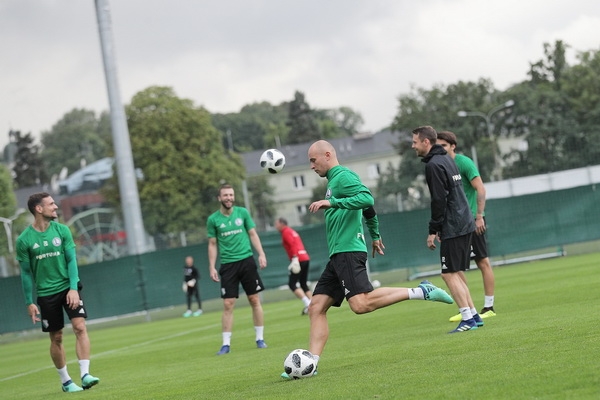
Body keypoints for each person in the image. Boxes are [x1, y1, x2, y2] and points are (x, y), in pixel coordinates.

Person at [281, 140, 454, 378]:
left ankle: (421, 291)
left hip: (348, 251)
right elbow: (368, 211)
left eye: (313, 160)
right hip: (338, 254)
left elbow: (367, 199)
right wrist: (375, 235)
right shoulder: (334, 181)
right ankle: (311, 363)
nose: (311, 166)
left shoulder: (342, 176)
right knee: (316, 307)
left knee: (360, 305)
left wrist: (332, 202)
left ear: (328, 155)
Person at [16, 192, 100, 393]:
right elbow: (26, 274)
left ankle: (85, 374)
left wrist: (73, 288)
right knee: (57, 337)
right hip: (46, 293)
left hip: (68, 287)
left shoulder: (62, 231)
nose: (55, 207)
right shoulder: (24, 240)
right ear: (39, 208)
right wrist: (29, 302)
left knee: (80, 327)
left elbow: (72, 261)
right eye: (51, 204)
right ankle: (66, 382)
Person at [411, 126, 482, 333]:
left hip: (455, 224)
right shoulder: (447, 160)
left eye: (415, 142)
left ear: (426, 142)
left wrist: (434, 229)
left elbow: (439, 200)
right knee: (456, 272)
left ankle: (467, 319)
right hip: (464, 221)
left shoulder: (434, 165)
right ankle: (474, 315)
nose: (412, 145)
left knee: (448, 274)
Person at [436, 131, 496, 320]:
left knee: (482, 261)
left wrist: (479, 216)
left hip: (472, 221)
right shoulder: (441, 166)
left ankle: (488, 307)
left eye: (444, 145)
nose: (441, 149)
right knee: (455, 268)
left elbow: (480, 188)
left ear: (453, 146)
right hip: (455, 224)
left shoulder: (464, 163)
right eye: (438, 146)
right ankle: (469, 309)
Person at [207, 184, 268, 355]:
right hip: (228, 265)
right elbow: (212, 244)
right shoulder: (213, 220)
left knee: (254, 300)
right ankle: (226, 344)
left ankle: (260, 338)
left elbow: (253, 234)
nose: (229, 198)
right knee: (228, 303)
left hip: (247, 261)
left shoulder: (243, 213)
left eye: (231, 195)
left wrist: (261, 253)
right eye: (225, 195)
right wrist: (211, 266)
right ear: (219, 198)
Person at [274, 217, 312, 315]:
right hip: (305, 257)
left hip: (298, 259)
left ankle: (308, 303)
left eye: (276, 224)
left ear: (282, 224)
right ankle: (314, 304)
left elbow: (292, 245)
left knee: (292, 284)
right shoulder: (291, 231)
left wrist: (295, 258)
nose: (275, 226)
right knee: (303, 284)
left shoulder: (286, 232)